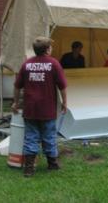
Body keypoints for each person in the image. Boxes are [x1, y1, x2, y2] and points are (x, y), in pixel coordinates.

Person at [12, 36, 68, 177]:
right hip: (47, 109)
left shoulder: (27, 64)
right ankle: (52, 164)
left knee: (31, 137)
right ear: (47, 49)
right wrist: (65, 102)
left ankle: (29, 168)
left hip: (30, 109)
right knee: (49, 136)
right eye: (51, 47)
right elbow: (62, 86)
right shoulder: (54, 64)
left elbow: (17, 86)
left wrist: (16, 102)